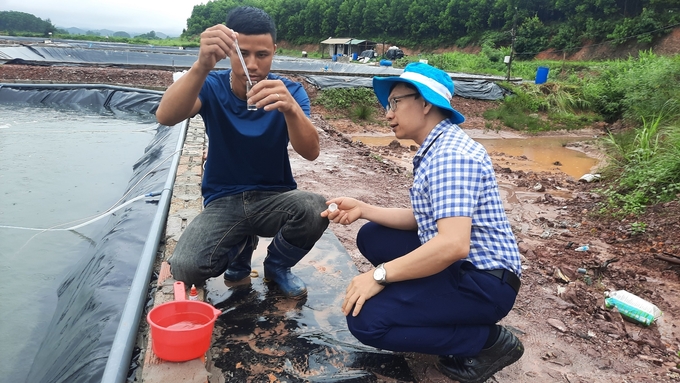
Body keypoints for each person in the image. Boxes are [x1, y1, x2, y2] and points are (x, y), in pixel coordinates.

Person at [321, 62, 524, 383]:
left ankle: (487, 342)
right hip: (466, 269)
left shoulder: (451, 156)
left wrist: (379, 276)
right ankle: (432, 310)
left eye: (395, 102)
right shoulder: (438, 148)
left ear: (426, 102)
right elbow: (424, 220)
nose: (388, 113)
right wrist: (364, 208)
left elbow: (453, 244)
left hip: (484, 285)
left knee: (367, 321)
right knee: (373, 235)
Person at [156, 6, 329, 298]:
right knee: (185, 268)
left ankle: (277, 266)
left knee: (314, 208)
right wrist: (201, 66)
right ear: (228, 51)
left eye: (262, 55)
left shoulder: (289, 91)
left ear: (274, 51)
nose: (252, 65)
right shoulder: (210, 86)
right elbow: (166, 116)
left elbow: (310, 152)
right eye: (242, 53)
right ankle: (239, 247)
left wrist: (291, 109)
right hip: (224, 199)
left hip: (273, 197)